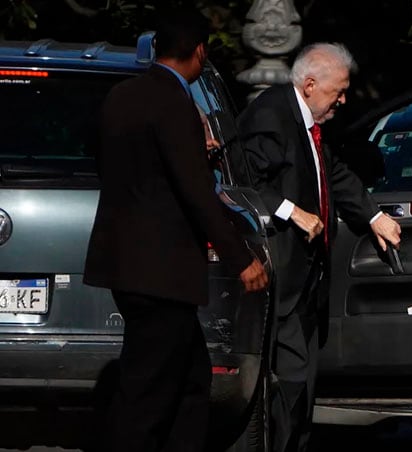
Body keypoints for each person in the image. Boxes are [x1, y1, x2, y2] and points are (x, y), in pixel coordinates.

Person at [83, 8, 268, 452]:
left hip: (126, 264)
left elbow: (127, 167)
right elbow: (195, 193)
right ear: (199, 51)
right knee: (146, 394)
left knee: (190, 376)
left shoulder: (122, 95)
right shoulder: (175, 101)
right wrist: (241, 259)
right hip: (159, 271)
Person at [236, 42, 402, 452]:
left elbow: (333, 172)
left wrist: (375, 216)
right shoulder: (271, 115)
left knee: (303, 384)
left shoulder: (308, 123)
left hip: (308, 279)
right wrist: (294, 211)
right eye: (338, 91)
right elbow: (244, 181)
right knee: (290, 383)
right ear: (310, 85)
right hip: (282, 272)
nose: (343, 100)